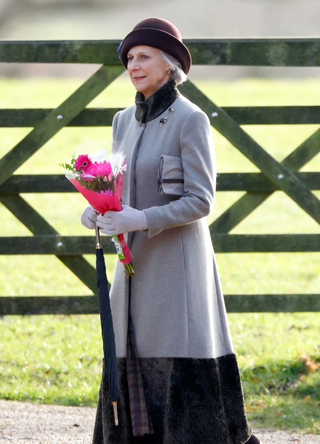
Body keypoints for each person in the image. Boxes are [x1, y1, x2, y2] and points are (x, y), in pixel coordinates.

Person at [81, 17, 260, 444]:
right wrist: (99, 210)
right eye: (129, 58)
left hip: (176, 272)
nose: (133, 65)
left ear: (170, 64)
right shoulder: (122, 120)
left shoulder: (191, 119)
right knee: (130, 360)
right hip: (131, 265)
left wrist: (141, 219)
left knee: (178, 366)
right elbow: (118, 183)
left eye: (143, 56)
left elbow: (202, 200)